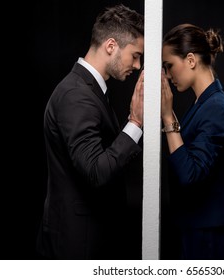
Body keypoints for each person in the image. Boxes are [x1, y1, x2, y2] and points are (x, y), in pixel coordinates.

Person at [36, 4, 144, 260]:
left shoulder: (88, 90)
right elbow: (96, 171)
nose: (138, 65)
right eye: (136, 55)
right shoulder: (77, 96)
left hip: (88, 237)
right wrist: (136, 123)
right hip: (77, 245)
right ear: (111, 46)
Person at [161, 23, 224, 259]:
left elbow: (190, 174)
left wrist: (168, 117)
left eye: (169, 66)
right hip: (200, 226)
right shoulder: (204, 103)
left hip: (211, 233)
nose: (168, 75)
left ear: (190, 60)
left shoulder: (216, 107)